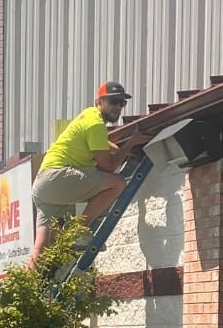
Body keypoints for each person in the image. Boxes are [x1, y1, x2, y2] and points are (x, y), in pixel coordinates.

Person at [26, 80, 148, 267]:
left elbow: (104, 143)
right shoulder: (95, 124)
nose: (118, 107)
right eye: (112, 101)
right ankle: (79, 230)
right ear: (99, 102)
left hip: (43, 186)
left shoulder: (87, 116)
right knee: (117, 183)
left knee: (40, 248)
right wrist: (130, 144)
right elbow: (108, 166)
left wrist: (119, 149)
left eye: (122, 103)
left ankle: (24, 290)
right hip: (57, 177)